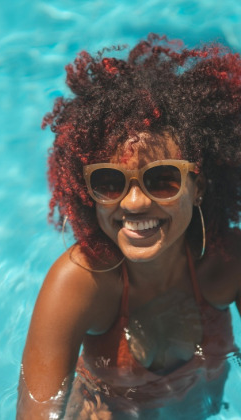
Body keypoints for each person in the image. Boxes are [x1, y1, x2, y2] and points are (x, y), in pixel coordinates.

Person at [16, 34, 241, 419]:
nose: (134, 203)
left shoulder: (227, 262)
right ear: (89, 193)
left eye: (162, 179)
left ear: (198, 187)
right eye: (109, 182)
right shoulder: (80, 284)